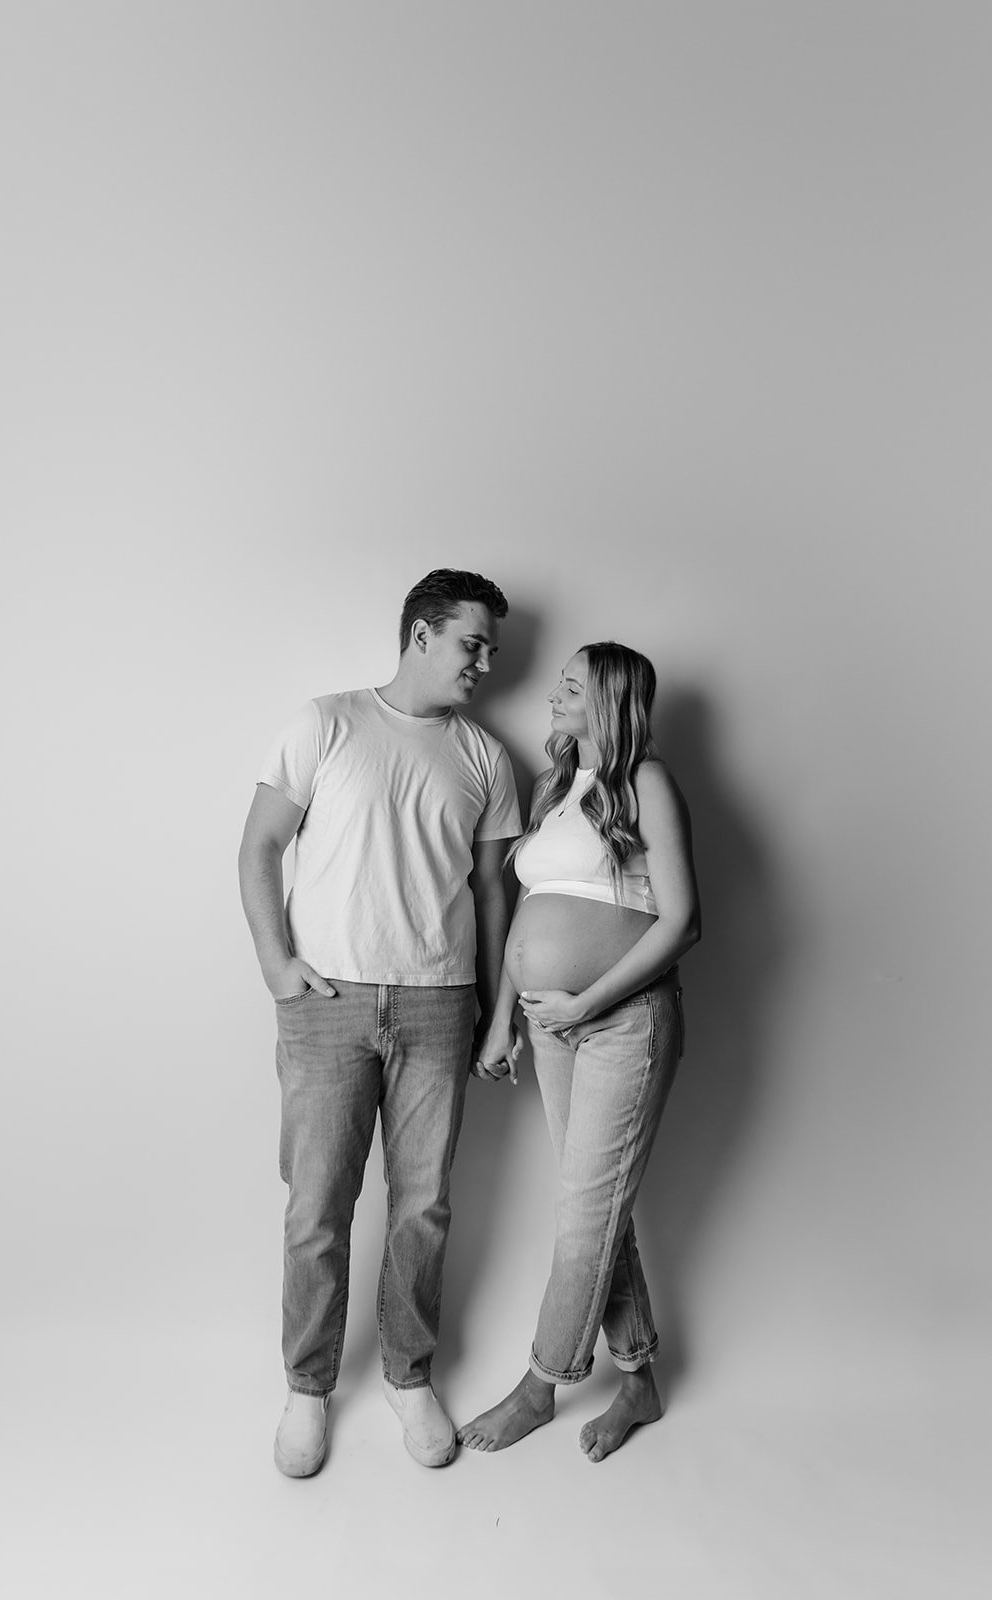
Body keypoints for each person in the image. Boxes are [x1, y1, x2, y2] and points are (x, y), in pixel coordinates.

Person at [238, 569, 520, 1478]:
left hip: (440, 1004)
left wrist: (495, 1013)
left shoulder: (484, 757)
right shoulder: (325, 723)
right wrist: (278, 968)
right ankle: (307, 1387)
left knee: (423, 1205)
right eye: (472, 642)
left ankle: (408, 1374)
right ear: (421, 634)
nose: (485, 661)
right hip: (327, 1005)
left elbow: (490, 893)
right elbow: (258, 849)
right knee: (315, 1206)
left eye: (491, 648)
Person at [458, 641, 700, 1462]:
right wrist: (505, 1021)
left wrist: (586, 1000)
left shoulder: (649, 783)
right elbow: (532, 910)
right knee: (597, 1209)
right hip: (549, 1023)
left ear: (610, 701)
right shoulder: (556, 786)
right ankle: (637, 1378)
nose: (553, 693)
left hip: (623, 1022)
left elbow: (682, 921)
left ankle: (541, 1382)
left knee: (582, 1217)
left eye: (571, 685)